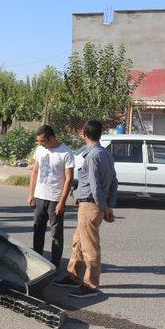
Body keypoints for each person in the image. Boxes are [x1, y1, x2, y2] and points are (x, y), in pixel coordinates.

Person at [53, 120, 118, 298]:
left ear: (84, 134)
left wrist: (104, 207)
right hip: (91, 204)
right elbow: (114, 181)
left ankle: (91, 285)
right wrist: (109, 205)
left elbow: (96, 186)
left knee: (90, 247)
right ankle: (73, 276)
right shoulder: (106, 154)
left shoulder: (92, 156)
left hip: (91, 205)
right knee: (78, 242)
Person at [28, 125, 75, 270]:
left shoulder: (66, 153)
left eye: (43, 141)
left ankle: (55, 265)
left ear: (52, 138)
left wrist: (62, 202)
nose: (40, 144)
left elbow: (69, 179)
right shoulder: (40, 150)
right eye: (39, 142)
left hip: (55, 199)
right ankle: (38, 262)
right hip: (39, 197)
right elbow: (35, 171)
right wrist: (31, 193)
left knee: (56, 234)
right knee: (38, 231)